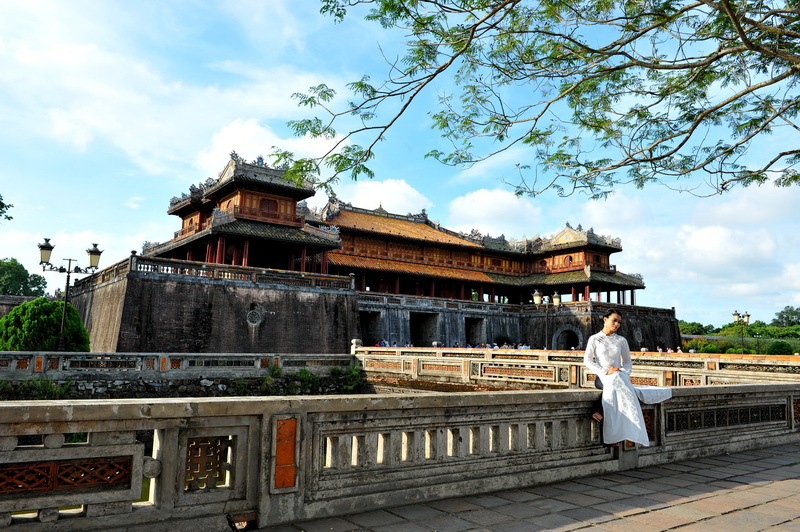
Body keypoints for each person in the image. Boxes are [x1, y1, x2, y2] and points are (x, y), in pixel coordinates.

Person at [584, 309, 671, 446]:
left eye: (619, 322)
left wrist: (623, 372)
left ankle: (603, 416)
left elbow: (628, 361)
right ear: (605, 320)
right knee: (616, 381)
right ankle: (615, 433)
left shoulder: (621, 340)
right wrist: (606, 371)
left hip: (620, 376)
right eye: (614, 320)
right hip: (603, 376)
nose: (617, 324)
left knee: (618, 379)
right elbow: (588, 360)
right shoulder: (595, 339)